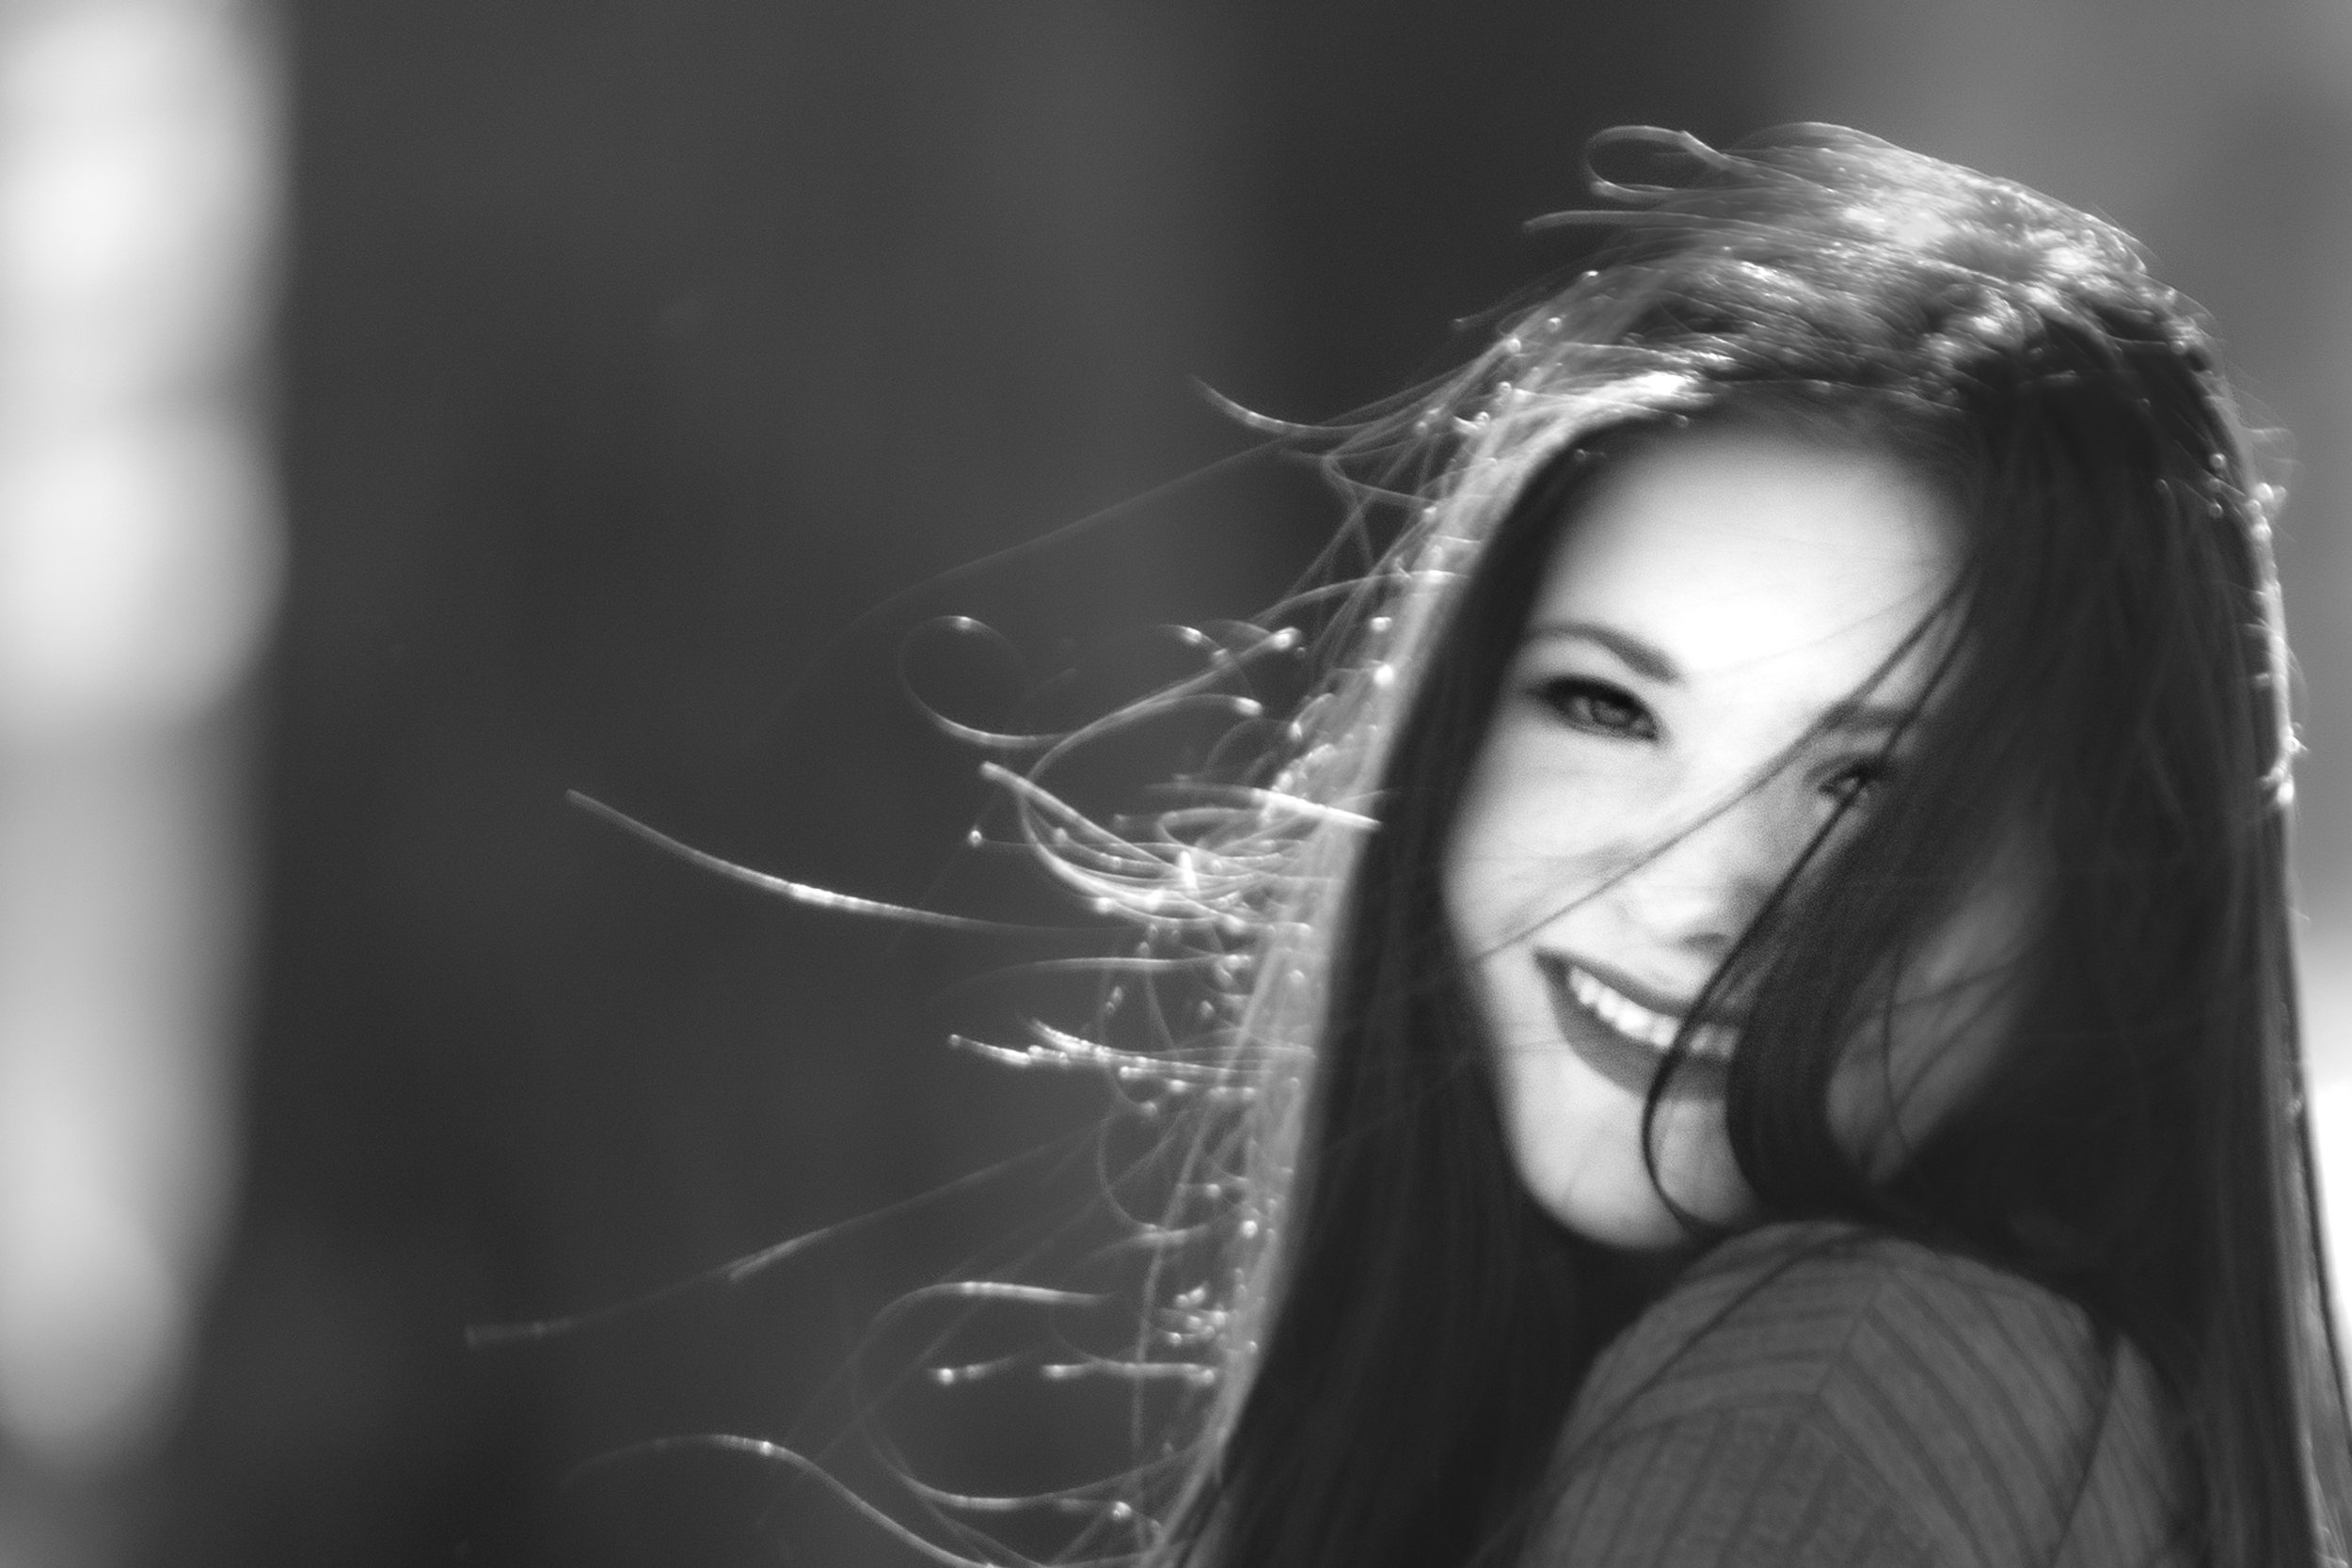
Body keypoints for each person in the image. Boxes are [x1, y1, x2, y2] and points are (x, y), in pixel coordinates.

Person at [997, 126, 2352, 1568]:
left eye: (1865, 787)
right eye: (1606, 705)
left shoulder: (1836, 1396)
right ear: (1452, 736)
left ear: (2109, 888)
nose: (1696, 891)